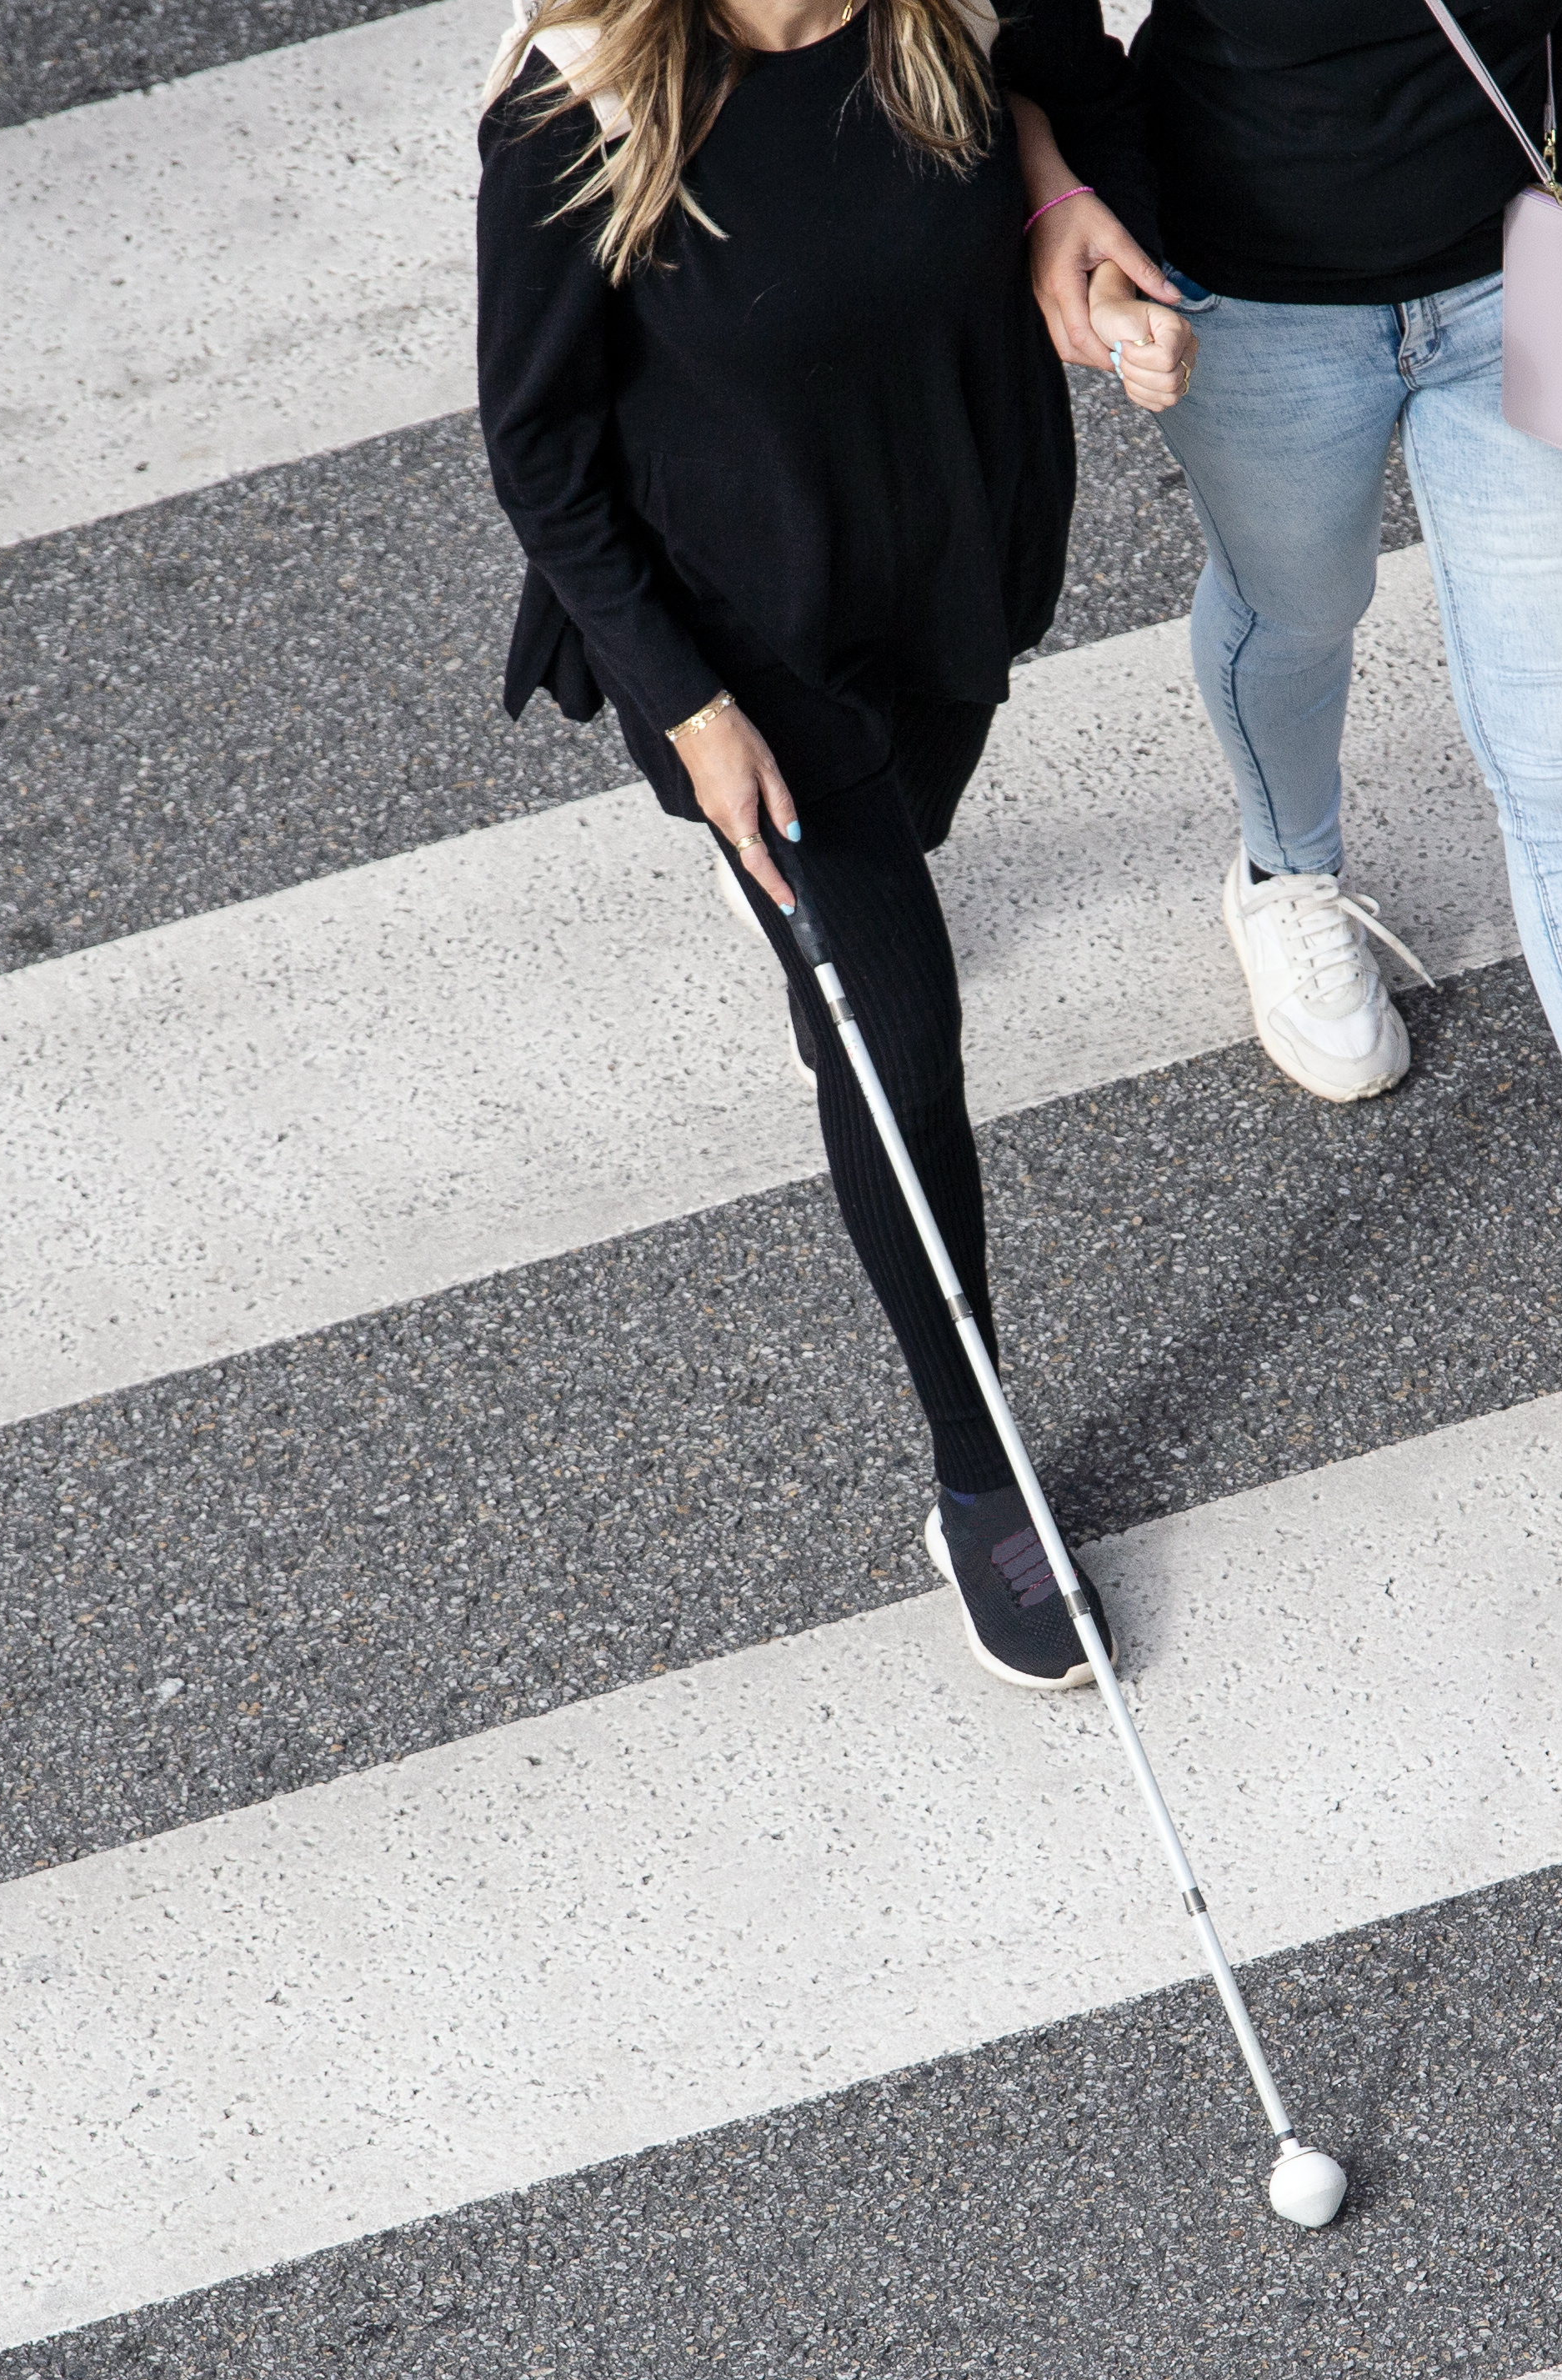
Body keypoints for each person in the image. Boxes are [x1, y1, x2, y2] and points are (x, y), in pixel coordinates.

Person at [475, 0, 1189, 1691]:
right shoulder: (581, 102)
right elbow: (539, 449)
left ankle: (833, 910)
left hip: (950, 574)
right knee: (895, 1040)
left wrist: (1102, 274)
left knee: (913, 851)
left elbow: (1076, 125)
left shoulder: (951, 12)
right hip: (751, 660)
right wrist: (694, 708)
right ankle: (976, 1466)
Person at [1013, 0, 1562, 1406]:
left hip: (1545, 243)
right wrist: (1051, 190)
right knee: (1296, 611)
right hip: (1247, 293)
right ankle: (1285, 872)